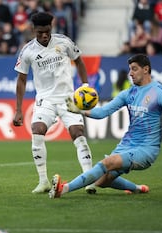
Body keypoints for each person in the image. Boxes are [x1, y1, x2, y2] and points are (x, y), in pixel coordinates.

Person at [49, 54, 162, 199]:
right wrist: (79, 110)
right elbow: (103, 112)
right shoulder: (129, 93)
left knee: (108, 162)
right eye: (130, 69)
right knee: (100, 181)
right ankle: (137, 188)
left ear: (146, 69)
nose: (130, 73)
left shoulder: (161, 93)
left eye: (134, 69)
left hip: (146, 149)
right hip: (126, 145)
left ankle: (63, 188)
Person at [13, 12, 96, 194]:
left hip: (68, 98)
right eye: (40, 32)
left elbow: (79, 61)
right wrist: (18, 109)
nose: (44, 35)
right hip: (45, 100)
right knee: (37, 131)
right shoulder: (28, 51)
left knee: (78, 134)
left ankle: (89, 179)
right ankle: (43, 181)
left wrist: (85, 86)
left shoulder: (64, 41)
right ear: (33, 29)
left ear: (52, 27)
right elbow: (21, 80)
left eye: (47, 31)